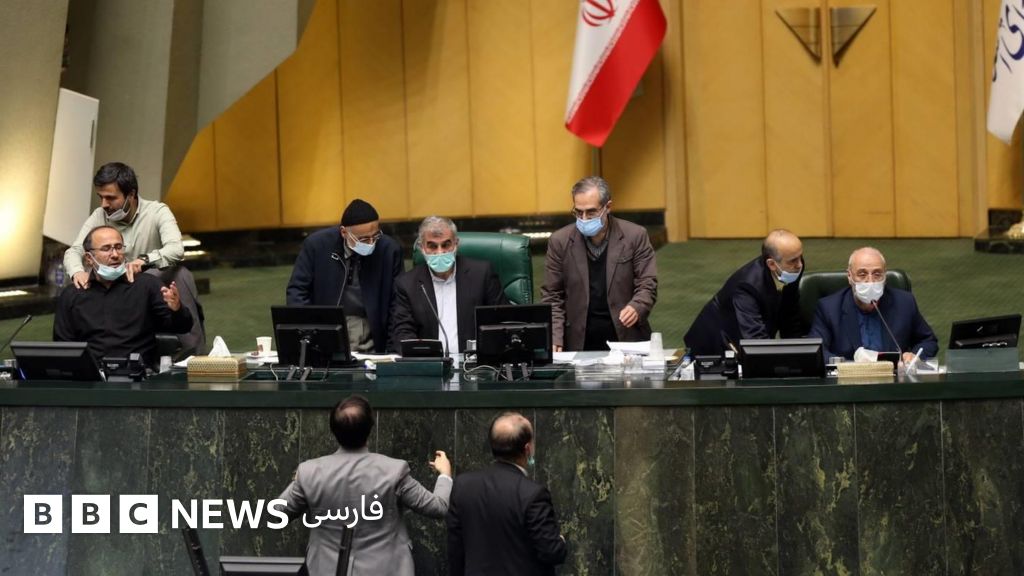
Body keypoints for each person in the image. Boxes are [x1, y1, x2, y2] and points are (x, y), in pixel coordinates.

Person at [277, 395, 452, 575]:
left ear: (333, 429)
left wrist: (299, 480)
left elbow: (277, 514)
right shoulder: (394, 471)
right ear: (370, 427)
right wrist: (445, 475)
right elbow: (437, 507)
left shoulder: (310, 472)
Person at [541, 176, 658, 352]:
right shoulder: (559, 241)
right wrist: (555, 337)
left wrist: (637, 306)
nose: (584, 219)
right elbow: (552, 295)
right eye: (578, 212)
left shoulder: (635, 236)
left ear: (608, 207)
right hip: (578, 339)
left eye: (591, 212)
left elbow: (647, 283)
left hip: (625, 336)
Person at [53, 226, 193, 368]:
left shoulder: (147, 285)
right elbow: (63, 346)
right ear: (89, 258)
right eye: (106, 249)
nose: (115, 254)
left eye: (118, 247)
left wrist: (176, 309)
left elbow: (184, 327)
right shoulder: (73, 294)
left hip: (138, 373)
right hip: (91, 375)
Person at [447, 412, 567, 576]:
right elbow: (551, 552)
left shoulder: (463, 485)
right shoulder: (533, 494)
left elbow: (455, 550)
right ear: (527, 449)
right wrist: (560, 541)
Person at [286, 199, 403, 353]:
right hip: (327, 330)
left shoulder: (389, 250)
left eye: (375, 236)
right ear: (344, 232)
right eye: (363, 239)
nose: (371, 243)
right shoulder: (317, 246)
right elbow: (297, 292)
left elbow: (397, 303)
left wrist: (392, 350)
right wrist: (311, 335)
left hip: (372, 332)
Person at [389, 216, 505, 353]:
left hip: (474, 361)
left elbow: (503, 321)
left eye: (446, 245)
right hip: (430, 363)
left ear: (456, 244)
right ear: (421, 247)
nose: (440, 252)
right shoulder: (406, 284)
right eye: (432, 246)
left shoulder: (482, 274)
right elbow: (402, 333)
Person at [684, 229, 806, 355]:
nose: (799, 265)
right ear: (772, 264)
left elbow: (789, 312)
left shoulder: (793, 268)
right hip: (713, 343)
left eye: (800, 257)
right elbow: (756, 339)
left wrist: (798, 353)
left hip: (749, 331)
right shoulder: (747, 287)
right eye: (793, 260)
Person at [64, 162, 184, 289]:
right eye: (101, 197)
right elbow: (74, 251)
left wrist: (144, 261)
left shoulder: (157, 212)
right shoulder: (99, 215)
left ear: (131, 195)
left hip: (149, 286)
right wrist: (77, 272)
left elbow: (176, 249)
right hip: (111, 288)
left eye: (110, 198)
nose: (103, 205)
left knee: (182, 274)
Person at [809, 247, 938, 363]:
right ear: (849, 276)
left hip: (893, 378)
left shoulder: (904, 302)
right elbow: (817, 351)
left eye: (877, 274)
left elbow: (928, 341)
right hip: (850, 379)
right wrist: (848, 366)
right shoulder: (829, 308)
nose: (870, 281)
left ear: (885, 276)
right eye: (862, 274)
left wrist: (914, 356)